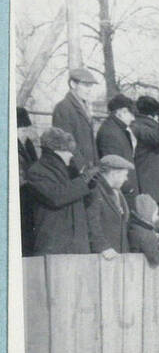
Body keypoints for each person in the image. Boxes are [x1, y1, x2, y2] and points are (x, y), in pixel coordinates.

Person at [24, 127, 96, 255]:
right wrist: (83, 180)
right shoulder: (37, 171)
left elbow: (83, 203)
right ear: (56, 151)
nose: (71, 156)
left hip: (77, 244)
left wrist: (91, 184)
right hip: (56, 246)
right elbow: (56, 197)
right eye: (68, 152)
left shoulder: (70, 172)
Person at [132, 96, 159, 206]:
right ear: (154, 115)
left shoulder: (142, 125)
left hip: (154, 185)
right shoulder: (140, 127)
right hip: (151, 185)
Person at [52, 67, 99, 169]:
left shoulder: (84, 107)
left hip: (89, 168)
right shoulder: (63, 108)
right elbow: (65, 144)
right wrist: (81, 167)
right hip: (77, 169)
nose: (89, 89)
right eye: (86, 85)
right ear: (73, 84)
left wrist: (95, 164)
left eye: (91, 86)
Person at [87, 155, 134, 257]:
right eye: (124, 175)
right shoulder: (95, 190)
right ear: (114, 173)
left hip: (117, 255)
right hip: (103, 257)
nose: (126, 179)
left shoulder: (117, 192)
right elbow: (91, 222)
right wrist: (103, 247)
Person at [96, 94, 138, 194]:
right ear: (120, 113)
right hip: (122, 190)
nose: (133, 119)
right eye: (130, 114)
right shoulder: (110, 133)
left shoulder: (116, 129)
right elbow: (114, 165)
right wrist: (128, 188)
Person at [127, 194, 159, 267]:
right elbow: (156, 258)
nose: (157, 216)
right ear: (148, 213)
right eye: (155, 213)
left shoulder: (135, 227)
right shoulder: (146, 233)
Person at [17, 107, 38, 254]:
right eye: (22, 130)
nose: (26, 134)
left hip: (29, 194)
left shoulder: (27, 145)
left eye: (26, 130)